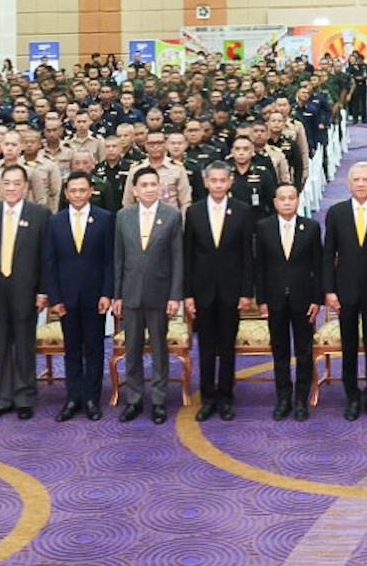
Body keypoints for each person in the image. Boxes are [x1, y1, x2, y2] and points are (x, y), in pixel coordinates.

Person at [319, 161, 367, 421]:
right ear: (349, 183)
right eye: (356, 179)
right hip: (345, 293)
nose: (361, 184)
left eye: (365, 179)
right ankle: (351, 397)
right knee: (348, 347)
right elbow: (328, 255)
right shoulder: (336, 213)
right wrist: (329, 291)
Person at [113, 165, 184, 424]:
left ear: (160, 188)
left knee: (159, 349)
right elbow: (118, 258)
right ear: (135, 190)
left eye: (154, 184)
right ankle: (133, 399)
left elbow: (177, 259)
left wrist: (175, 296)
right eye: (144, 185)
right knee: (131, 349)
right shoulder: (123, 216)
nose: (149, 189)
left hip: (160, 293)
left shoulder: (172, 215)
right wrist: (117, 295)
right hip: (131, 293)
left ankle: (158, 400)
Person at [0, 164, 50, 421]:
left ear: (26, 187)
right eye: (6, 183)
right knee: (1, 345)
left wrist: (43, 291)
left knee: (24, 344)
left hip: (26, 290)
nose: (11, 188)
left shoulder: (40, 214)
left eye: (16, 183)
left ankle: (24, 396)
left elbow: (45, 257)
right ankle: (3, 396)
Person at [182, 162, 252, 421]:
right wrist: (188, 294)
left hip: (231, 291)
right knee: (206, 348)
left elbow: (248, 255)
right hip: (202, 291)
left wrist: (246, 292)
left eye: (223, 180)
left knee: (227, 347)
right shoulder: (194, 212)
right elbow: (188, 255)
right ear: (206, 182)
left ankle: (226, 397)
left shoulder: (242, 211)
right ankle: (208, 398)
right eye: (214, 180)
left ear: (230, 182)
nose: (218, 185)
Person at [44, 171, 115, 422]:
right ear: (66, 193)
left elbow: (110, 261)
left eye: (82, 190)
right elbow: (50, 262)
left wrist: (107, 293)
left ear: (91, 191)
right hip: (66, 298)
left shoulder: (105, 218)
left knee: (94, 349)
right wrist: (55, 298)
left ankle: (92, 399)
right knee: (71, 350)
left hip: (95, 297)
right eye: (73, 191)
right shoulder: (55, 221)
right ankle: (73, 398)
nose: (77, 195)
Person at [255, 181, 322, 420]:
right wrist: (261, 300)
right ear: (274, 202)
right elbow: (259, 267)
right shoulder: (263, 227)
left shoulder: (311, 227)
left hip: (303, 300)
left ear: (298, 200)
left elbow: (318, 266)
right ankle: (283, 399)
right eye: (282, 198)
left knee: (304, 351)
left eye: (291, 198)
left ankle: (301, 400)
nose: (286, 202)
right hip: (274, 300)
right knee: (280, 352)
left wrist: (317, 299)